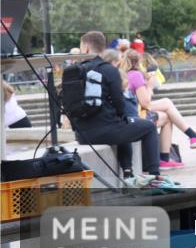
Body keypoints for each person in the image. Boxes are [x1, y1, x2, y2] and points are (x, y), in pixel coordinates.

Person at [70, 32, 172, 188]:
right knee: (146, 126)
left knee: (124, 125)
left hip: (82, 135)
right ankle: (154, 176)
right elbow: (119, 104)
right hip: (105, 131)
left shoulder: (74, 71)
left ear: (86, 47)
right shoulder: (110, 71)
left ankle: (128, 172)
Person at [118, 49, 183, 171]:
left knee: (166, 105)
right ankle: (165, 158)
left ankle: (192, 136)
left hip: (129, 116)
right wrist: (149, 86)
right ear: (138, 62)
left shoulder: (122, 74)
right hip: (137, 116)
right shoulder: (136, 75)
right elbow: (145, 103)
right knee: (168, 116)